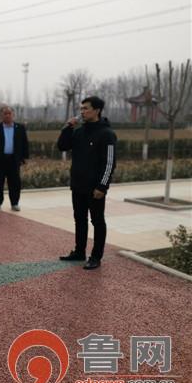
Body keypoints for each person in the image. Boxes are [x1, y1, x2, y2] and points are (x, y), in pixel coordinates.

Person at [58, 96, 117, 270]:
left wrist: (102, 186)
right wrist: (68, 127)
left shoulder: (107, 134)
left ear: (97, 110)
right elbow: (62, 146)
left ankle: (96, 256)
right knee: (80, 220)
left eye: (86, 108)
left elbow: (109, 163)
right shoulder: (79, 132)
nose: (82, 111)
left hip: (95, 188)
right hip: (78, 185)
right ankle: (79, 252)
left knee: (97, 221)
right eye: (81, 108)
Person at [0, 106, 29, 211]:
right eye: (5, 113)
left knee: (14, 182)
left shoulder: (20, 128)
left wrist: (25, 157)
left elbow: (25, 143)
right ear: (2, 115)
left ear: (13, 115)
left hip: (14, 160)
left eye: (9, 113)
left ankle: (14, 203)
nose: (7, 115)